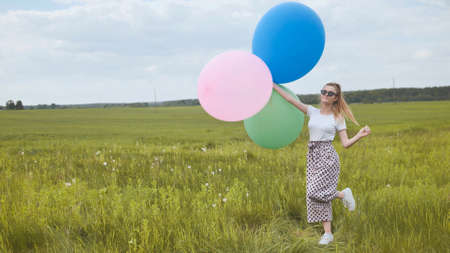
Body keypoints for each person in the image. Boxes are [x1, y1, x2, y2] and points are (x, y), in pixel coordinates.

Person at [272, 82, 371, 245]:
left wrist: (360, 135)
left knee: (314, 192)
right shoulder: (312, 111)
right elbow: (291, 100)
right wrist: (274, 86)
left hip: (327, 157)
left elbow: (345, 143)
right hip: (312, 156)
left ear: (336, 98)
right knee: (316, 196)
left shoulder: (338, 118)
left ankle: (342, 194)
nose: (325, 94)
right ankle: (328, 234)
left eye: (330, 93)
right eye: (323, 91)